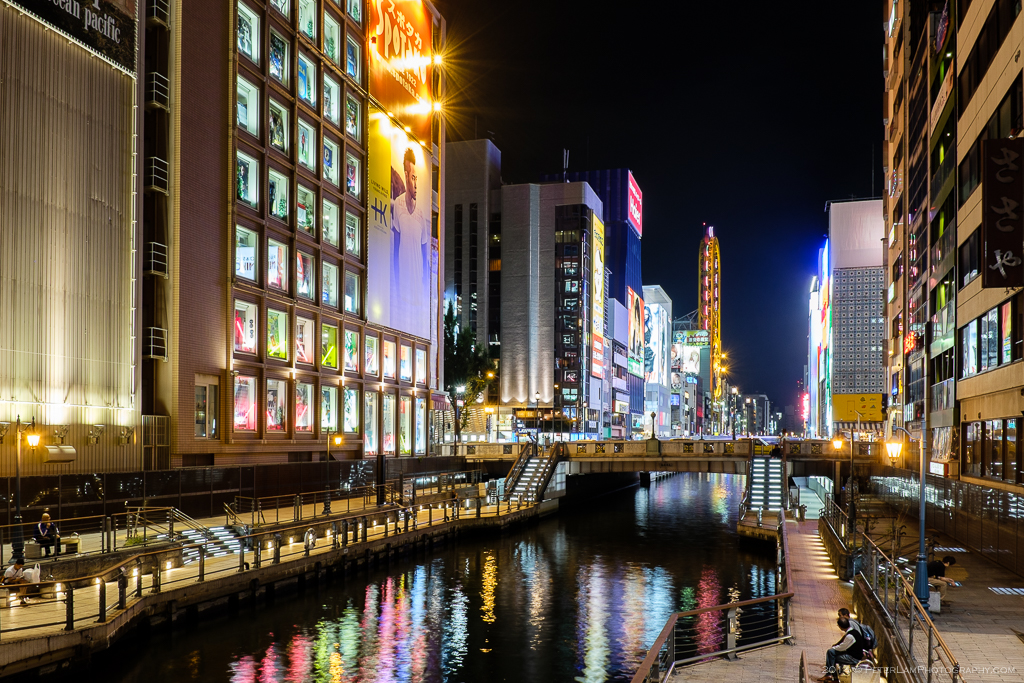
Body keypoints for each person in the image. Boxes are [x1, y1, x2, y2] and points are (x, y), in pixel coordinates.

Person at [818, 617, 867, 683]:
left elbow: (842, 647)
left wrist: (834, 648)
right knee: (830, 652)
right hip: (851, 653)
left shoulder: (850, 636)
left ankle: (832, 675)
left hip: (853, 658)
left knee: (832, 657)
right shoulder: (853, 631)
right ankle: (831, 675)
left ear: (840, 627)